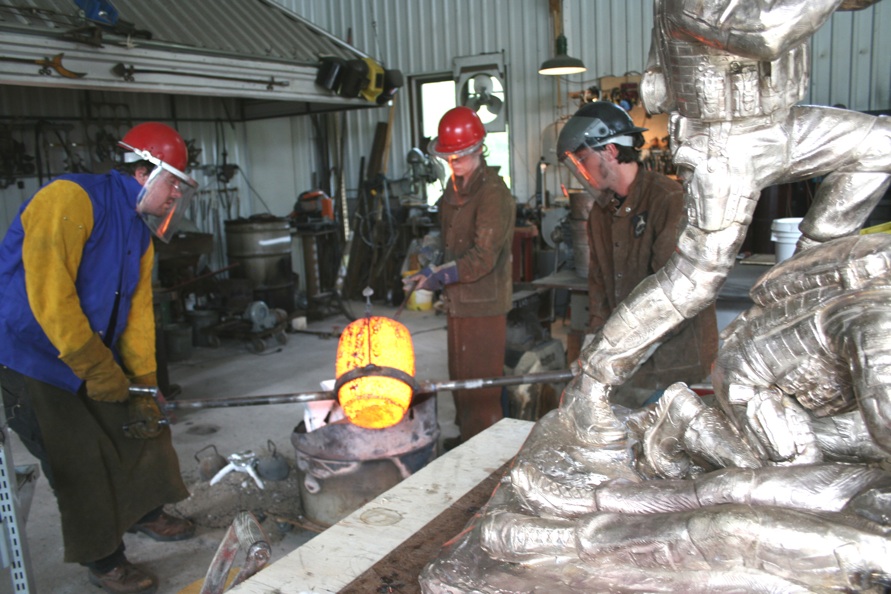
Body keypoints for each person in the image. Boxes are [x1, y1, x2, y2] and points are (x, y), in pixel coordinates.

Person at [570, 0, 891, 425]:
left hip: (776, 124)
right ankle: (596, 375)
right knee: (695, 277)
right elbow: (765, 32)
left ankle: (804, 279)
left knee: (880, 145)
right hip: (724, 140)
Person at [0, 122, 198, 594]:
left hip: (93, 353)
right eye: (172, 183)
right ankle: (104, 559)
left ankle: (146, 512)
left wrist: (145, 382)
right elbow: (51, 299)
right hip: (33, 358)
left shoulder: (140, 233)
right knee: (78, 459)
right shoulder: (69, 200)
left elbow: (137, 314)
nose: (174, 196)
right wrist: (96, 368)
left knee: (144, 426)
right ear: (144, 173)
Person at [559, 101, 718, 408]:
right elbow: (599, 287)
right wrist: (594, 343)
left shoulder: (669, 201)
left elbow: (676, 299)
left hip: (674, 363)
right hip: (630, 361)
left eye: (582, 159)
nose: (580, 171)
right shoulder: (601, 213)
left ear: (611, 151)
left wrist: (622, 348)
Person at [407, 106, 516, 444]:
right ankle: (468, 440)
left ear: (478, 149)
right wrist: (428, 265)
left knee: (479, 387)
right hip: (458, 303)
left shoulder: (493, 194)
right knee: (459, 380)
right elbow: (447, 241)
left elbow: (482, 257)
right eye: (449, 158)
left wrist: (439, 277)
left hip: (484, 306)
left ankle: (485, 454)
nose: (453, 163)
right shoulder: (454, 190)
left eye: (460, 157)